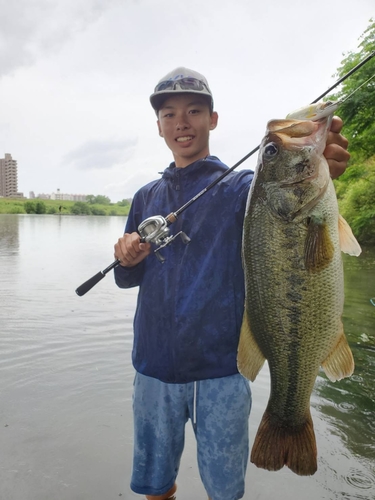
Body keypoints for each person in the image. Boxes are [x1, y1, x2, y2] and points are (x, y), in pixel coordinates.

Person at [113, 67, 350, 500]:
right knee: (156, 482)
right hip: (153, 364)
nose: (181, 122)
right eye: (169, 114)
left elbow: (287, 206)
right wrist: (126, 258)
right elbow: (129, 280)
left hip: (224, 366)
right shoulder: (146, 197)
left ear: (213, 119)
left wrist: (324, 164)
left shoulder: (243, 187)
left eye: (194, 111)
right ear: (159, 126)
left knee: (224, 490)